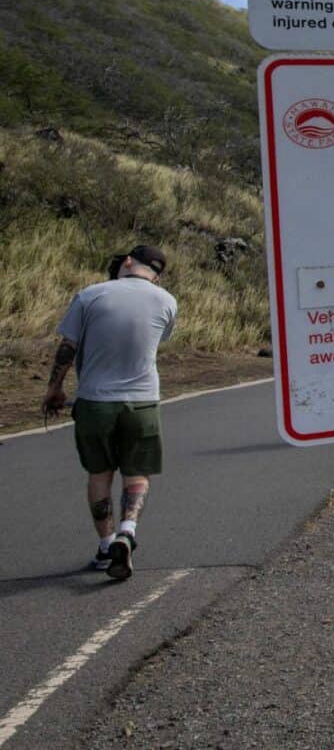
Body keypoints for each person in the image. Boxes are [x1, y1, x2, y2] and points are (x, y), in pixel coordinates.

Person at [42, 245, 177, 581]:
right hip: (143, 401)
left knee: (100, 474)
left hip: (95, 401)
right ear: (156, 275)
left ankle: (105, 546)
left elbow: (67, 348)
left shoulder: (90, 295)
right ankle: (127, 532)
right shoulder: (167, 301)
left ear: (128, 262)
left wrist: (54, 389)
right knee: (137, 474)